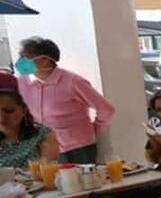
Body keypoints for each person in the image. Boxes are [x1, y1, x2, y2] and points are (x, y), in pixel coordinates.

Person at [15, 36, 115, 164]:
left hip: (77, 147)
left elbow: (106, 109)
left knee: (81, 182)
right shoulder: (23, 82)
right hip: (45, 147)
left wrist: (95, 127)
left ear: (45, 59)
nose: (20, 61)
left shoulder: (72, 82)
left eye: (25, 57)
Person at [0, 89, 59, 167]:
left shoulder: (42, 134)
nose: (2, 117)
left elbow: (47, 167)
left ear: (24, 110)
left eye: (9, 111)